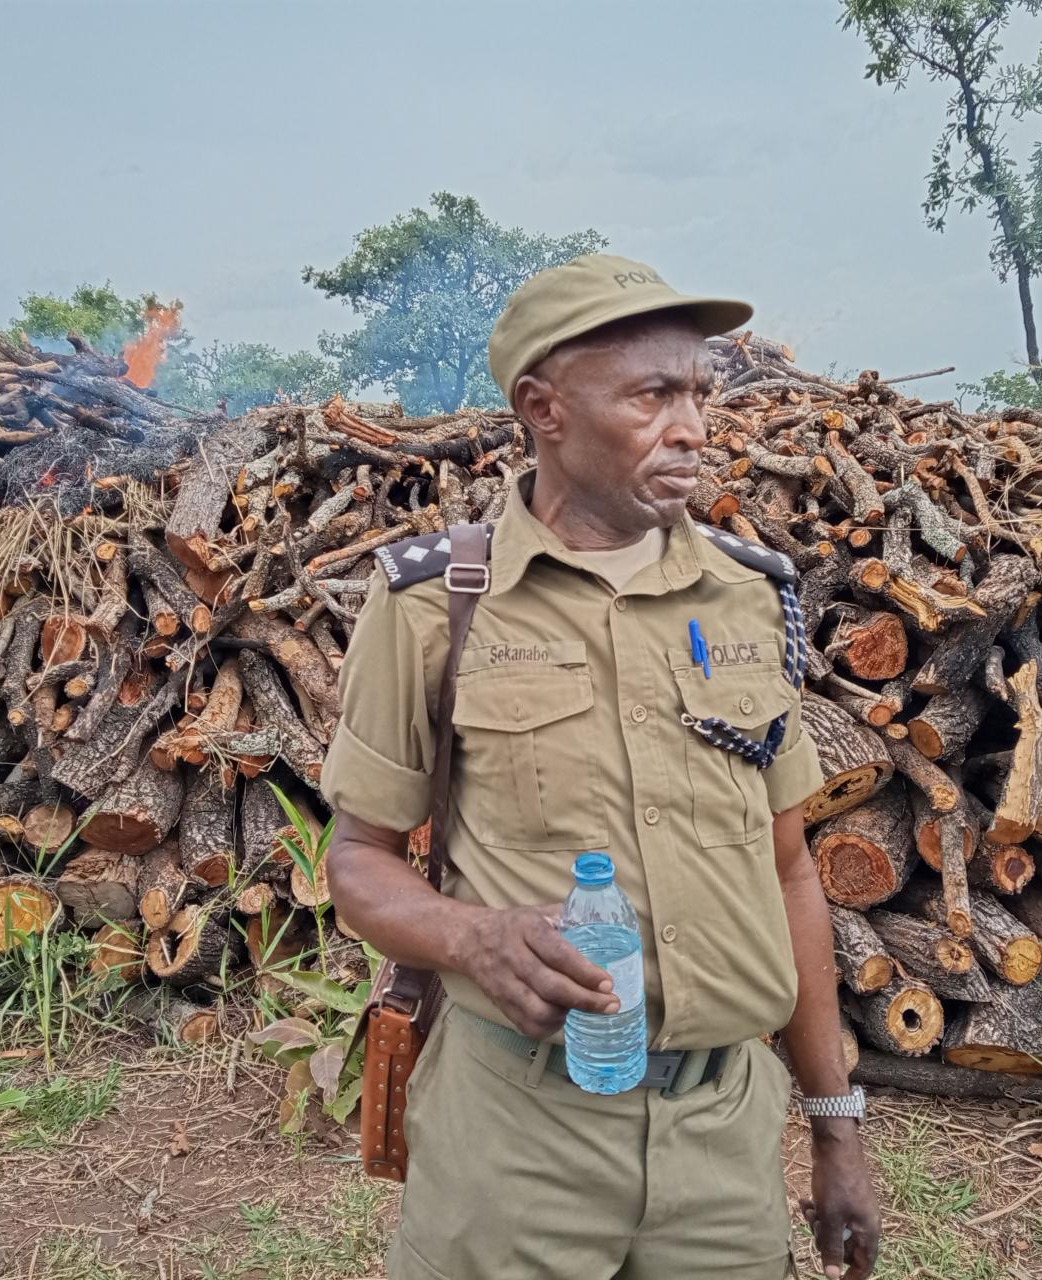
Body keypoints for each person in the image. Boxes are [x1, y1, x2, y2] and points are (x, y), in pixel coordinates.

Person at [323, 253, 880, 1280]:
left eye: (698, 392)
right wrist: (473, 935)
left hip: (722, 1143)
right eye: (651, 394)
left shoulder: (745, 596)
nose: (693, 427)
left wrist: (834, 1124)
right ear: (544, 408)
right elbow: (356, 856)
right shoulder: (433, 604)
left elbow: (787, 868)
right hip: (515, 1138)